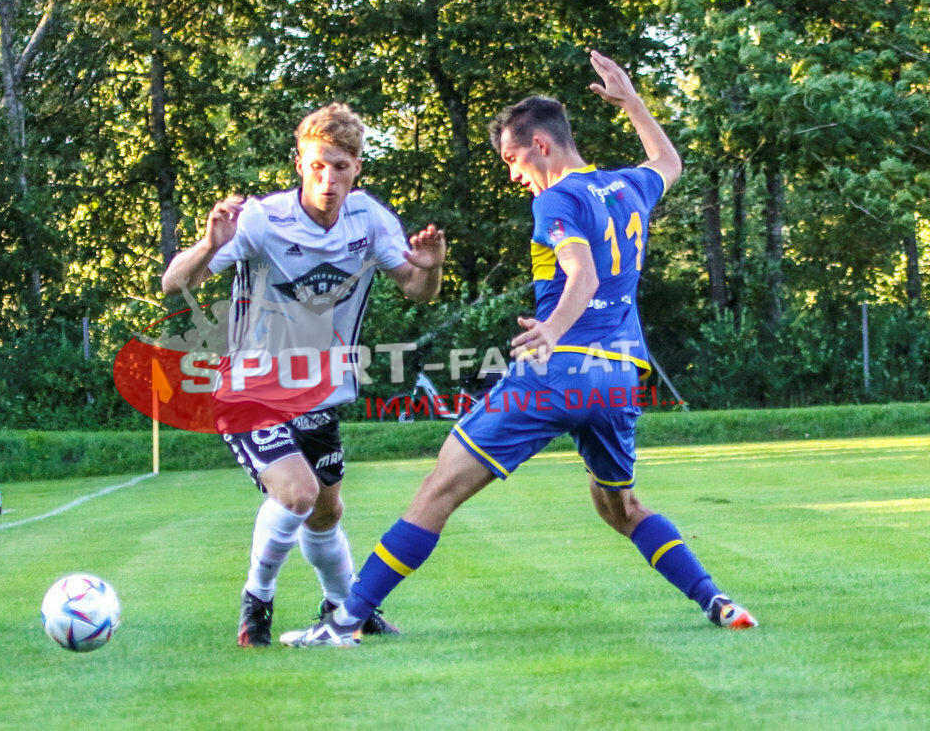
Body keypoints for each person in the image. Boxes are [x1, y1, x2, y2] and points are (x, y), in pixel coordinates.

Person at [279, 52, 757, 648]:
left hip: (559, 373)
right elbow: (670, 161)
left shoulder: (556, 200)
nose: (512, 174)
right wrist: (632, 102)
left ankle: (344, 622)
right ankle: (716, 600)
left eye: (512, 158)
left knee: (438, 491)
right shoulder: (629, 185)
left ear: (540, 144)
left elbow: (579, 275)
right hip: (619, 380)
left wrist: (553, 332)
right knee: (622, 507)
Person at [161, 102, 446, 647]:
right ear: (300, 164)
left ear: (357, 168)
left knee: (325, 510)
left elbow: (416, 289)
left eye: (340, 166)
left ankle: (347, 609)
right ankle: (257, 602)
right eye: (318, 164)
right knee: (297, 493)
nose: (329, 177)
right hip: (249, 392)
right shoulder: (262, 219)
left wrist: (431, 268)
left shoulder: (370, 220)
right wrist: (210, 244)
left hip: (319, 395)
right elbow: (175, 283)